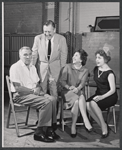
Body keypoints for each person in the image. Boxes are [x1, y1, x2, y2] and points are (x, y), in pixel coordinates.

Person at [9, 46, 60, 142]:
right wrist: (33, 91)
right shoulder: (15, 67)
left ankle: (50, 129)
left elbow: (37, 83)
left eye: (30, 54)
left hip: (34, 93)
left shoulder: (32, 67)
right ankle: (39, 132)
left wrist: (37, 88)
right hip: (20, 95)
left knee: (53, 100)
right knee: (46, 102)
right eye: (25, 55)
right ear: (20, 55)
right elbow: (18, 88)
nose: (28, 57)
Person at [31, 20, 68, 114]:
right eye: (45, 31)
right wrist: (31, 69)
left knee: (54, 93)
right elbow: (34, 55)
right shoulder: (38, 38)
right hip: (42, 69)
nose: (47, 34)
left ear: (54, 30)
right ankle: (41, 119)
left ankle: (53, 120)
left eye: (49, 32)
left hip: (55, 70)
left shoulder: (61, 39)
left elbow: (64, 56)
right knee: (41, 92)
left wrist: (62, 71)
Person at [59, 49, 93, 138]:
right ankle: (86, 119)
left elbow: (82, 83)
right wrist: (70, 87)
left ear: (81, 60)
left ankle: (73, 126)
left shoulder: (85, 70)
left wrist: (77, 89)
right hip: (67, 92)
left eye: (76, 55)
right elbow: (62, 81)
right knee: (80, 97)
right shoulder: (67, 66)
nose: (73, 56)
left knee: (78, 101)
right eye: (74, 55)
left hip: (78, 92)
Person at [86, 47, 118, 138]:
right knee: (87, 104)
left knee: (92, 103)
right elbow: (88, 77)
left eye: (99, 58)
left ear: (106, 59)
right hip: (99, 93)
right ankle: (102, 124)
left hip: (110, 96)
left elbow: (113, 90)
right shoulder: (96, 69)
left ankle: (104, 126)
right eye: (96, 57)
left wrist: (101, 97)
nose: (97, 60)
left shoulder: (109, 73)